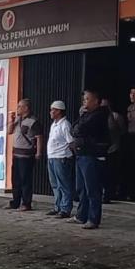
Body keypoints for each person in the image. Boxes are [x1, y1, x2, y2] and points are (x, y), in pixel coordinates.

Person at [70, 90, 109, 229]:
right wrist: (81, 116)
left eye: (87, 99)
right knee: (81, 188)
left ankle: (93, 218)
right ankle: (81, 215)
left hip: (91, 154)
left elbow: (81, 129)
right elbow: (73, 129)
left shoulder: (99, 115)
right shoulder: (86, 115)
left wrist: (80, 122)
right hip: (81, 153)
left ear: (96, 101)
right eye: (84, 99)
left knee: (92, 188)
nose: (84, 102)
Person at [6, 99, 43, 211]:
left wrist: (39, 152)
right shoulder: (17, 119)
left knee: (25, 180)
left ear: (26, 108)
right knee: (15, 179)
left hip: (26, 155)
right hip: (16, 154)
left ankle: (26, 203)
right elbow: (9, 131)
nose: (17, 108)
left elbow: (39, 137)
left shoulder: (33, 121)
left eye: (19, 106)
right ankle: (15, 202)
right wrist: (11, 121)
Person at [45, 101, 74, 219]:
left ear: (59, 111)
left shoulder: (65, 125)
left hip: (61, 157)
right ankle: (58, 206)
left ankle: (66, 208)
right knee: (55, 184)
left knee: (64, 184)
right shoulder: (54, 124)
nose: (51, 112)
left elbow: (70, 142)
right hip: (52, 157)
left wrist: (72, 156)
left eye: (53, 110)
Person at [101, 98, 125, 203]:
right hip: (101, 150)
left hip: (113, 148)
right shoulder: (97, 116)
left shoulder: (116, 116)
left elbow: (122, 130)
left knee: (111, 173)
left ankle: (109, 194)